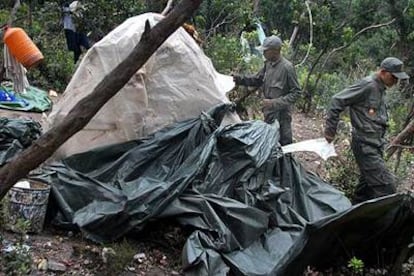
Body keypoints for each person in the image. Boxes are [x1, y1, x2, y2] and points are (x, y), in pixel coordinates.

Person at [324, 57, 409, 203]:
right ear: (383, 72)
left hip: (375, 145)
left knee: (366, 190)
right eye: (393, 77)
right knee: (387, 189)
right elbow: (337, 100)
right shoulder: (368, 85)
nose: (395, 82)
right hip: (365, 146)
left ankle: (352, 217)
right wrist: (330, 130)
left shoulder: (380, 88)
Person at [233, 35, 302, 145]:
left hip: (282, 116)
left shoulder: (287, 68)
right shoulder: (268, 65)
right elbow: (256, 80)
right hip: (269, 113)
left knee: (284, 144)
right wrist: (238, 79)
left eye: (266, 51)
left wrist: (274, 103)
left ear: (275, 51)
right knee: (270, 142)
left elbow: (296, 93)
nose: (263, 53)